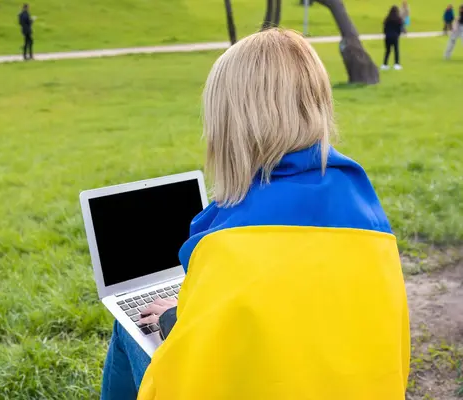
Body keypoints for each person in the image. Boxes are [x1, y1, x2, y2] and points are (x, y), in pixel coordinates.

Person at [100, 28, 410, 400]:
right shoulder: (366, 213)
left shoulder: (230, 246)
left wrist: (174, 321)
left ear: (230, 127)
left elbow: (188, 386)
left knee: (129, 329)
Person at [382, 6, 404, 70]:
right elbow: (400, 28)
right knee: (396, 50)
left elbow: (384, 28)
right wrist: (398, 34)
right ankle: (396, 64)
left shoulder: (387, 19)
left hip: (388, 37)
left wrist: (386, 34)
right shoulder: (398, 19)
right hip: (395, 36)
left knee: (387, 51)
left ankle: (385, 64)